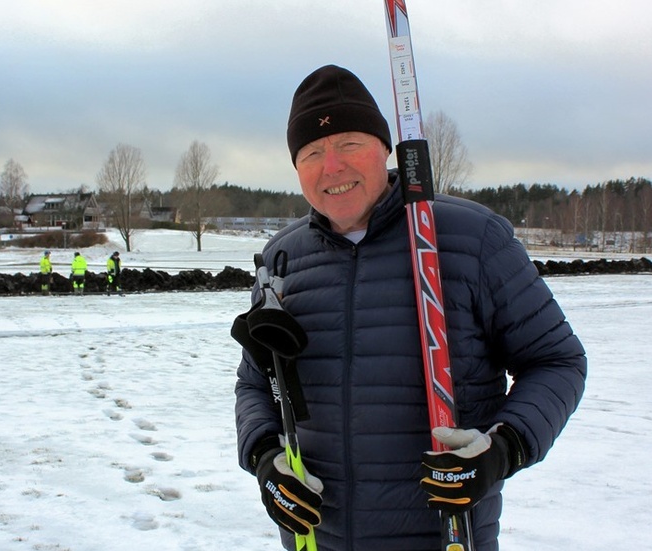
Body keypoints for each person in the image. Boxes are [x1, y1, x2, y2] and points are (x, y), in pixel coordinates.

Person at [234, 64, 587, 551]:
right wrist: (263, 457)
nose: (331, 166)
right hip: (320, 540)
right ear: (297, 170)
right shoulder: (281, 258)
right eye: (312, 152)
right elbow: (256, 382)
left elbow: (557, 361)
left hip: (444, 537)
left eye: (349, 143)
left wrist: (502, 448)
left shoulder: (470, 239)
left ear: (385, 148)